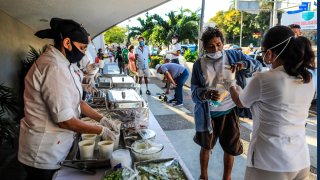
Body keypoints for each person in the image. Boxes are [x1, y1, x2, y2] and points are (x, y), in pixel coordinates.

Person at [18, 18, 119, 180]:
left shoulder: (65, 63)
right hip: (44, 152)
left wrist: (102, 119)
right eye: (82, 48)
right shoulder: (54, 67)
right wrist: (101, 130)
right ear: (67, 43)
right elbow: (64, 121)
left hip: (57, 145)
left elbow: (76, 101)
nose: (84, 53)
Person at [228, 25, 315, 180]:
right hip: (301, 161)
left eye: (263, 51)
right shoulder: (308, 79)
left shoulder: (264, 79)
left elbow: (240, 101)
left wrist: (231, 84)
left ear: (269, 53)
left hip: (270, 163)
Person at [191, 27, 262, 180]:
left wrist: (244, 64)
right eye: (210, 45)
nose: (215, 48)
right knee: (206, 146)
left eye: (218, 44)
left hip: (230, 111)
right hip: (207, 114)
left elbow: (258, 65)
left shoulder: (234, 55)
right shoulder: (199, 64)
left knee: (230, 148)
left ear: (223, 43)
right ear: (204, 46)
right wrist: (205, 93)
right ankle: (203, 176)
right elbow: (194, 90)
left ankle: (227, 178)